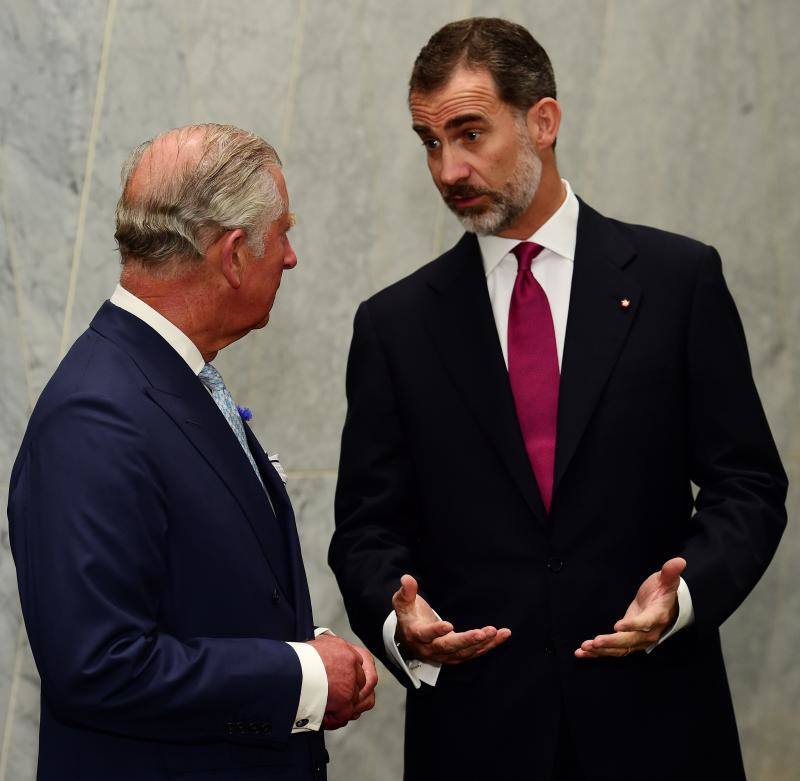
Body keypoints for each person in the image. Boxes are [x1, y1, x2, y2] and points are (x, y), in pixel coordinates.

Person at [329, 18, 787, 780]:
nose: (449, 169)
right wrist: (398, 617)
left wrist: (683, 598)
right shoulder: (396, 325)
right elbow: (367, 527)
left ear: (542, 121)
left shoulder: (678, 282)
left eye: (470, 133)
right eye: (431, 143)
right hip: (477, 737)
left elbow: (749, 486)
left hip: (660, 727)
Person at [8, 123, 377, 781]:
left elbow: (201, 584)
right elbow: (99, 665)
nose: (290, 257)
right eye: (283, 233)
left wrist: (306, 647)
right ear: (235, 255)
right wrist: (301, 676)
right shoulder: (96, 415)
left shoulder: (169, 376)